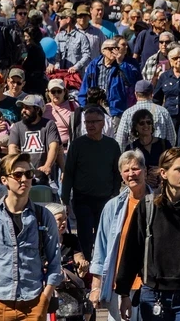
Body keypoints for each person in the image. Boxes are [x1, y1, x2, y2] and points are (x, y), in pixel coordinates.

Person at [113, 148, 180, 321]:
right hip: (153, 295)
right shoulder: (148, 206)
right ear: (164, 173)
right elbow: (132, 251)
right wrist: (124, 292)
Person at [0, 153, 63, 321]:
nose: (24, 179)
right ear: (4, 180)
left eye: (28, 174)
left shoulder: (43, 216)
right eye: (18, 175)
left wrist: (45, 298)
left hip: (33, 304)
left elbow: (55, 261)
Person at [88, 150, 147, 321]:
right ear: (121, 175)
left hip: (150, 286)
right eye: (126, 170)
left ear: (144, 170)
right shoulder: (112, 207)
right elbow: (101, 248)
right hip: (120, 285)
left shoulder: (158, 202)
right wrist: (96, 287)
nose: (131, 174)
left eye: (135, 169)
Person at [62, 106, 123, 257]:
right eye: (87, 122)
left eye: (94, 121)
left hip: (105, 199)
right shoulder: (77, 144)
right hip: (82, 199)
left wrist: (115, 194)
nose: (90, 125)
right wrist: (64, 199)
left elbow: (117, 173)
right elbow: (68, 172)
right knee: (85, 237)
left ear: (103, 123)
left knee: (104, 236)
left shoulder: (112, 145)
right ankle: (86, 266)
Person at [6, 95, 61, 183]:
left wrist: (47, 166)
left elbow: (54, 147)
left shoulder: (49, 124)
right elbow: (12, 148)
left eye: (28, 108)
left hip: (45, 177)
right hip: (23, 177)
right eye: (23, 107)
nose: (23, 110)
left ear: (38, 109)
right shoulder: (17, 126)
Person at [116, 79, 177, 151]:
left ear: (136, 94)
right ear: (152, 94)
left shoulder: (127, 113)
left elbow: (120, 140)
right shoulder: (163, 111)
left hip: (135, 155)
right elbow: (172, 138)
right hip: (159, 155)